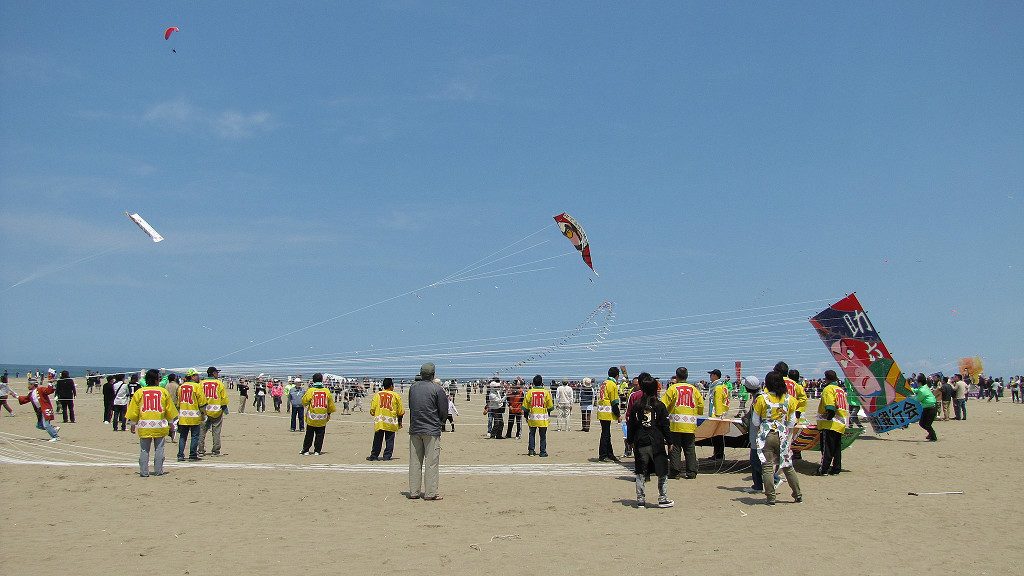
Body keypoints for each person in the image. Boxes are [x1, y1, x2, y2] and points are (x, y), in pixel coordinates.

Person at [751, 371, 802, 505]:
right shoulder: (790, 399)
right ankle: (798, 494)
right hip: (782, 434)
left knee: (767, 467)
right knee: (787, 466)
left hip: (766, 434)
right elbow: (791, 422)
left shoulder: (761, 399)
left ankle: (771, 497)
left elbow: (755, 421)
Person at [627, 373, 673, 508]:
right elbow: (665, 425)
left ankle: (640, 499)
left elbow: (631, 424)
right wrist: (670, 441)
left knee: (640, 470)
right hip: (656, 441)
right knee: (662, 470)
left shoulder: (637, 405)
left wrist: (630, 440)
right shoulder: (659, 405)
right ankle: (663, 498)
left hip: (640, 441)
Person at [126, 369, 179, 477]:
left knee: (144, 450)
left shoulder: (140, 392)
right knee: (159, 449)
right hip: (159, 425)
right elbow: (169, 410)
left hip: (144, 425)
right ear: (156, 380)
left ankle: (144, 471)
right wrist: (171, 423)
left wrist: (132, 424)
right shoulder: (163, 392)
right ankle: (158, 470)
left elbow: (134, 410)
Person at [407, 363, 448, 500]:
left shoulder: (413, 388)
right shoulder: (437, 389)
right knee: (431, 462)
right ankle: (430, 493)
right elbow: (443, 410)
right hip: (431, 430)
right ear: (433, 374)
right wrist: (440, 422)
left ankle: (414, 492)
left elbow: (411, 406)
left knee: (415, 462)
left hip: (415, 428)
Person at [660, 367, 704, 479]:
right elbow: (700, 405)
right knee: (690, 448)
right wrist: (696, 412)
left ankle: (675, 471)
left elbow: (664, 405)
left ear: (677, 376)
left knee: (675, 447)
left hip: (675, 423)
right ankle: (692, 471)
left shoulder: (673, 388)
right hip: (690, 423)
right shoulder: (694, 389)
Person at [816, 370, 849, 476]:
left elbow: (830, 406)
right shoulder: (840, 390)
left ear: (826, 379)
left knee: (827, 448)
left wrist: (828, 417)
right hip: (840, 422)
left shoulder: (828, 389)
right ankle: (836, 468)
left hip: (830, 424)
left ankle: (824, 469)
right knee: (837, 448)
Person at [367, 377, 404, 460]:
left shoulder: (377, 395)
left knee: (377, 439)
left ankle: (374, 455)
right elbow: (400, 410)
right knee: (390, 439)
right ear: (391, 386)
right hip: (391, 420)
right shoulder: (396, 395)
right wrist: (400, 421)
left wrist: (374, 413)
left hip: (380, 420)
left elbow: (373, 408)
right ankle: (387, 456)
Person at [175, 370, 207, 461]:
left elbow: (178, 402)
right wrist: (204, 413)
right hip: (194, 414)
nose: (198, 377)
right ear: (192, 376)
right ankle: (192, 454)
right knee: (194, 436)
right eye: (196, 375)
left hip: (183, 414)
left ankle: (180, 455)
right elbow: (202, 402)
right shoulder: (197, 386)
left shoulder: (181, 387)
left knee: (183, 436)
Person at [301, 373, 336, 455]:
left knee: (309, 434)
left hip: (312, 416)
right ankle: (317, 450)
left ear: (313, 380)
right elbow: (330, 404)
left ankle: (306, 450)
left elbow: (304, 401)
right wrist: (329, 413)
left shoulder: (311, 390)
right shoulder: (326, 391)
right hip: (323, 416)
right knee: (320, 434)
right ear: (321, 380)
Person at [198, 367, 229, 457]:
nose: (218, 374)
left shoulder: (201, 383)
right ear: (213, 373)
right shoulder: (219, 383)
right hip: (216, 410)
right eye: (217, 372)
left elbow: (199, 396)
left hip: (204, 410)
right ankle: (216, 450)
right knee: (216, 431)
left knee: (202, 431)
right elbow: (224, 398)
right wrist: (224, 409)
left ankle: (200, 450)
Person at [523, 375, 554, 457]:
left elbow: (525, 407)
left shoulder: (530, 392)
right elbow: (550, 406)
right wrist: (548, 413)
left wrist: (526, 416)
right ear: (541, 382)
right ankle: (543, 451)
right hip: (543, 417)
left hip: (532, 416)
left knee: (532, 434)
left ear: (533, 383)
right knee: (543, 435)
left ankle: (531, 450)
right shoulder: (546, 392)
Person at [597, 367, 622, 462]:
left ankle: (610, 453)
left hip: (601, 409)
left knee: (606, 433)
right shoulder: (612, 384)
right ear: (617, 375)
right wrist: (618, 415)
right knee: (605, 434)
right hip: (607, 411)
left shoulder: (604, 383)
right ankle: (603, 455)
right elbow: (615, 401)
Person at [706, 369, 729, 460]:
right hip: (721, 413)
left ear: (715, 375)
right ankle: (717, 453)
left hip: (717, 415)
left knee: (717, 436)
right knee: (717, 436)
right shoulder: (721, 386)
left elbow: (718, 401)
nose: (710, 376)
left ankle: (719, 455)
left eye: (711, 375)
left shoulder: (718, 387)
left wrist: (717, 415)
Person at [914, 374, 937, 441]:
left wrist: (909, 398)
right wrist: (910, 389)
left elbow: (917, 400)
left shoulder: (922, 390)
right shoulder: (924, 387)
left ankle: (933, 437)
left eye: (916, 381)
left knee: (927, 424)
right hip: (927, 408)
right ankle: (931, 434)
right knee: (922, 423)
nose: (916, 382)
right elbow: (917, 390)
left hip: (931, 409)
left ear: (919, 382)